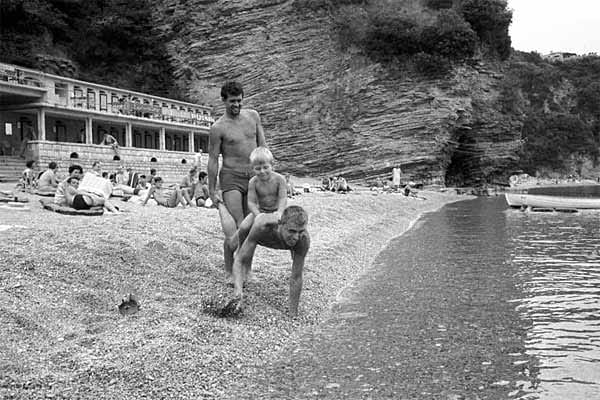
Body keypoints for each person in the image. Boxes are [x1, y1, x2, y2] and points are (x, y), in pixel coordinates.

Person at [208, 81, 267, 276]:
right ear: (223, 100)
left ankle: (245, 268)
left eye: (239, 101)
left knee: (251, 228)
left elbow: (263, 148)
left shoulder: (253, 117)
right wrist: (211, 188)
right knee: (240, 224)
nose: (236, 105)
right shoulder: (218, 128)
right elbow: (213, 159)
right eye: (232, 101)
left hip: (253, 177)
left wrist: (270, 176)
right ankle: (229, 266)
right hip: (230, 178)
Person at [224, 205, 310, 317]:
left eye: (300, 231)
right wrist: (238, 294)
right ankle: (227, 264)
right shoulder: (263, 227)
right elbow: (240, 260)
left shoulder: (303, 239)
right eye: (292, 231)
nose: (296, 237)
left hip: (269, 228)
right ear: (280, 224)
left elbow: (296, 277)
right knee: (232, 244)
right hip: (254, 222)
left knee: (299, 248)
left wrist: (293, 314)